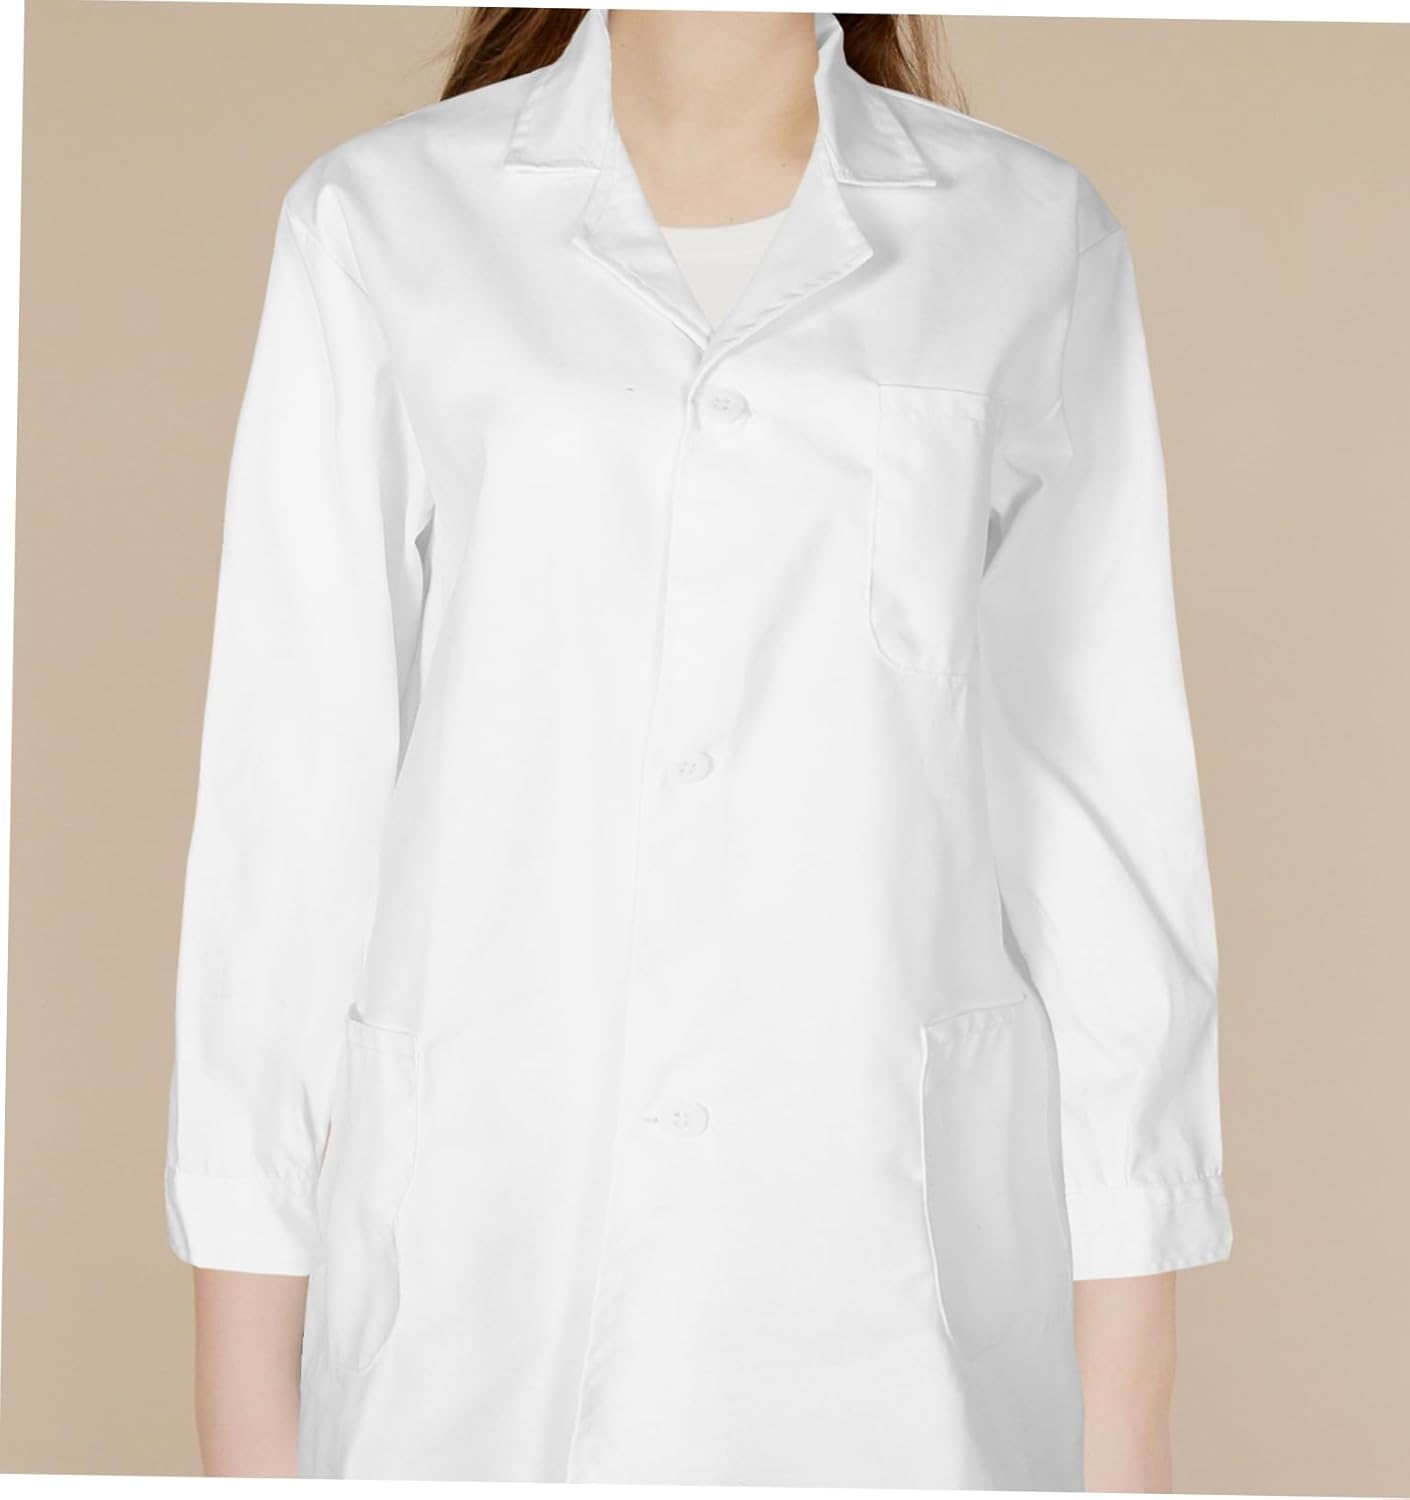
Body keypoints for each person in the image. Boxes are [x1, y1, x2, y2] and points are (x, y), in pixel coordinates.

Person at [165, 7, 1233, 1489]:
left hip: (889, 1280)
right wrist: (244, 1402)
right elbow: (292, 799)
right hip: (479, 1262)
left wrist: (1125, 1411)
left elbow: (1099, 818)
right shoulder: (382, 218)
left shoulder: (1027, 234)